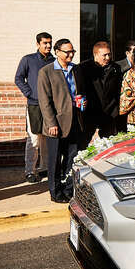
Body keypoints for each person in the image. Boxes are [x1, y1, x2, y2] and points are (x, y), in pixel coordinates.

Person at [37, 39, 85, 203]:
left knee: (72, 159)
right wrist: (51, 124)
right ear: (57, 52)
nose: (71, 54)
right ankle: (55, 192)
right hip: (55, 125)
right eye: (67, 52)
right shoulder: (46, 72)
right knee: (55, 161)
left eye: (73, 51)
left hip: (75, 122)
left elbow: (80, 92)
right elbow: (44, 101)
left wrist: (81, 102)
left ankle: (68, 189)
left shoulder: (76, 69)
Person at [15, 32, 54, 184]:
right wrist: (29, 93)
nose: (48, 46)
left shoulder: (54, 61)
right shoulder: (28, 59)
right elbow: (18, 78)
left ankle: (44, 168)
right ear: (38, 44)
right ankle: (30, 171)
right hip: (34, 105)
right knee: (34, 139)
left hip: (50, 106)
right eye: (45, 43)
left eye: (50, 43)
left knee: (46, 139)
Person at [76, 40, 124, 144]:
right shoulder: (83, 68)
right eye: (104, 55)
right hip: (90, 113)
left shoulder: (115, 68)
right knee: (83, 145)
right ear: (96, 55)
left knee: (109, 145)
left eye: (109, 54)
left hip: (110, 114)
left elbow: (118, 91)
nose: (108, 58)